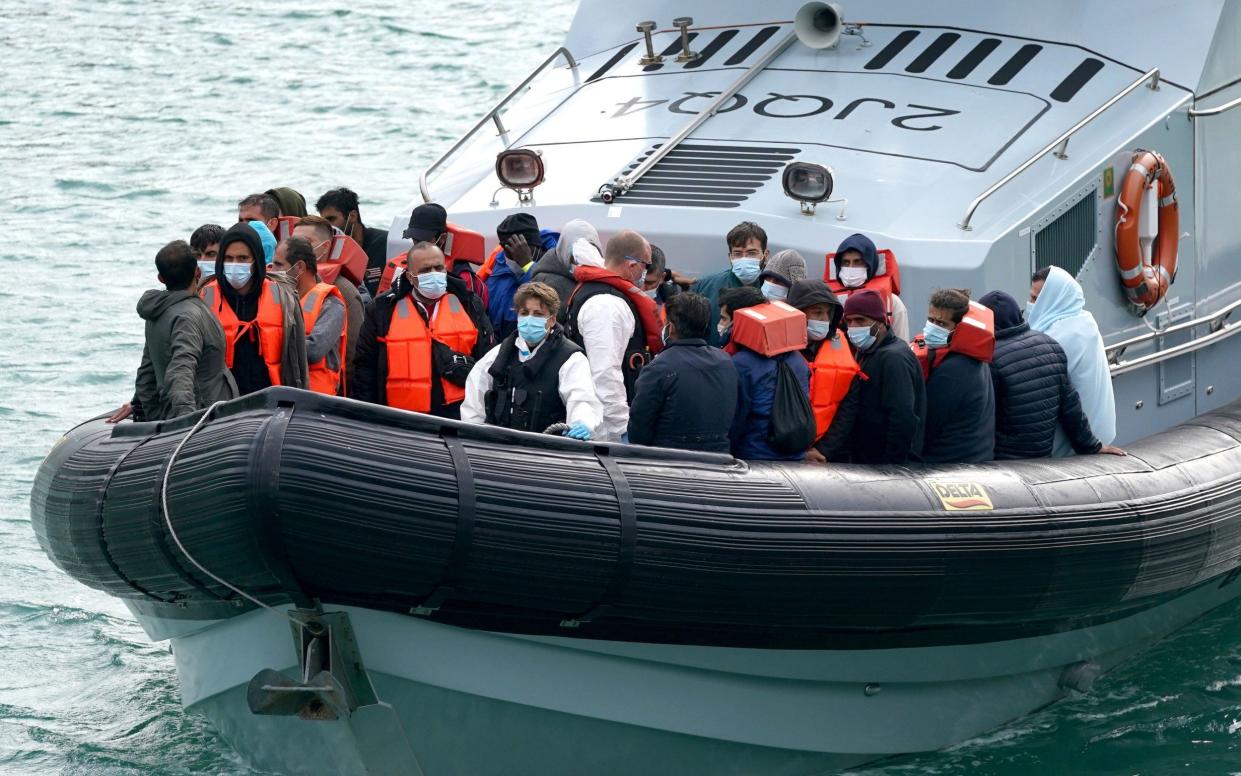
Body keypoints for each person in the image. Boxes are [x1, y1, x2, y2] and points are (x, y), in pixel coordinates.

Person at [351, 241, 494, 418]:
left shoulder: (469, 303)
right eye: (426, 270)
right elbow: (365, 365)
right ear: (410, 277)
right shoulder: (382, 308)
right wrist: (367, 415)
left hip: (458, 415)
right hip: (400, 416)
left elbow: (488, 360)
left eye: (439, 268)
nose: (434, 274)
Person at [979, 290, 1125, 459]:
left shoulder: (990, 358)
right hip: (1042, 459)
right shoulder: (1051, 345)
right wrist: (1092, 445)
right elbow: (1071, 407)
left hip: (1003, 464)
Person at [108, 240, 237, 423]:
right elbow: (181, 370)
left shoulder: (158, 313)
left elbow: (147, 373)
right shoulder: (188, 317)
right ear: (197, 272)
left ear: (161, 278)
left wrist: (141, 409)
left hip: (171, 413)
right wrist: (186, 422)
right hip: (206, 417)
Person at [461, 281, 602, 439]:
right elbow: (474, 399)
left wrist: (582, 423)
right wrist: (474, 436)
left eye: (538, 314)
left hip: (547, 451)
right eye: (524, 312)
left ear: (552, 320)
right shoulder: (499, 354)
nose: (530, 319)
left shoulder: (571, 359)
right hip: (499, 446)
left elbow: (582, 399)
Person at [563, 229, 664, 442]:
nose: (645, 274)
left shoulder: (599, 293)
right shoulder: (607, 305)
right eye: (645, 266)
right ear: (632, 265)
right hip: (601, 427)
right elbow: (605, 374)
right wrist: (621, 429)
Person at [199, 222, 309, 395]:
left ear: (256, 259)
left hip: (272, 399)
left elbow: (298, 360)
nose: (234, 264)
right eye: (228, 258)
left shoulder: (284, 298)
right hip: (221, 404)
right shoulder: (203, 298)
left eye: (243, 258)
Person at [628, 292, 738, 452]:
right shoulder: (726, 362)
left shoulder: (659, 368)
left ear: (670, 327)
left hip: (669, 462)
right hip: (719, 460)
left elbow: (639, 428)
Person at [1028, 266, 1118, 456]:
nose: (1029, 304)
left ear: (1052, 300)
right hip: (1096, 431)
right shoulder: (1084, 321)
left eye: (1036, 299)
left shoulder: (1060, 336)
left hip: (1074, 440)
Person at [843, 289, 925, 464]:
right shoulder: (868, 352)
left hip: (887, 467)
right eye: (849, 321)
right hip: (868, 462)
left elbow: (903, 416)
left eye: (860, 320)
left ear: (880, 322)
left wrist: (891, 466)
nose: (853, 327)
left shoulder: (894, 358)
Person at [726, 298, 812, 461]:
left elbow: (736, 416)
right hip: (796, 454)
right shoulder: (799, 361)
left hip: (755, 454)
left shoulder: (742, 364)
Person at [916, 289, 995, 464]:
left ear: (959, 328)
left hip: (951, 464)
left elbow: (929, 423)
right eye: (931, 320)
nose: (933, 327)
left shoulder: (953, 370)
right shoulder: (976, 358)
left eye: (941, 324)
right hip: (976, 457)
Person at [787, 279, 859, 463]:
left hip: (827, 454)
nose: (825, 319)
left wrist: (823, 450)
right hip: (784, 452)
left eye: (828, 313)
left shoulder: (843, 345)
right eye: (817, 313)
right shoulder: (779, 350)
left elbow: (848, 408)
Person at [293, 215, 364, 387]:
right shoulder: (287, 285)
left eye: (305, 243)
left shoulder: (345, 292)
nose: (297, 249)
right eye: (294, 243)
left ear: (324, 248)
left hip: (328, 390)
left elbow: (353, 353)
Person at [271, 237, 347, 395]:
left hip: (316, 402)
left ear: (299, 267)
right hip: (282, 395)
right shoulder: (277, 300)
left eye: (278, 265)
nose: (272, 271)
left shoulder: (331, 304)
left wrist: (271, 340)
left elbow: (314, 351)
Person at [691, 221, 769, 345]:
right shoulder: (705, 287)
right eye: (738, 253)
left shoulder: (773, 290)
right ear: (730, 256)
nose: (744, 258)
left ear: (765, 254)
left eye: (752, 253)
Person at [486, 213, 558, 339]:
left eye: (519, 250)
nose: (513, 256)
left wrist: (528, 266)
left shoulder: (556, 267)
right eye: (508, 251)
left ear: (534, 247)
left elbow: (551, 299)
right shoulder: (496, 274)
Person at [827, 233, 910, 341]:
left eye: (858, 262)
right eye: (846, 263)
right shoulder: (828, 301)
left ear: (869, 265)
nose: (851, 268)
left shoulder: (893, 303)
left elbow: (902, 344)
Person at [403, 202, 488, 304]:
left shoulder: (463, 279)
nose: (419, 247)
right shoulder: (406, 267)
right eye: (415, 240)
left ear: (442, 238)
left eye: (424, 240)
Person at [316, 187, 389, 295]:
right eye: (323, 221)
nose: (327, 226)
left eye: (331, 219)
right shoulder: (327, 251)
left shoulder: (385, 243)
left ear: (352, 216)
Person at [530, 218, 600, 306]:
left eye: (590, 250)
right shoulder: (547, 283)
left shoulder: (597, 278)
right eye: (577, 252)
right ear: (564, 249)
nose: (583, 257)